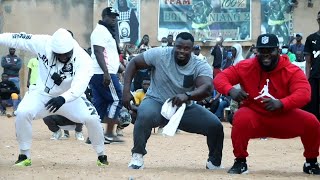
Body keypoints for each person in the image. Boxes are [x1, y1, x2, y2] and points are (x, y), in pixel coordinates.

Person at [213, 34, 320, 175]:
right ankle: (240, 161)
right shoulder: (246, 66)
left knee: (312, 122)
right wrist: (231, 90)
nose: (265, 55)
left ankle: (311, 162)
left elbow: (304, 93)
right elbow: (220, 78)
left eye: (270, 50)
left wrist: (282, 103)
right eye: (262, 51)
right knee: (240, 117)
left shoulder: (290, 70)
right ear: (256, 51)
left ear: (278, 50)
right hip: (255, 116)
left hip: (283, 116)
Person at [0, 28, 108, 166]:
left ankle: (101, 156)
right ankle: (24, 155)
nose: (62, 57)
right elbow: (18, 38)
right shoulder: (43, 43)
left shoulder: (84, 59)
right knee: (22, 112)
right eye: (59, 54)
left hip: (70, 98)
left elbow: (79, 86)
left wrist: (63, 98)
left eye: (66, 54)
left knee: (92, 118)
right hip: (42, 94)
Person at [123, 32, 224, 170]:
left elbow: (207, 87)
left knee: (215, 126)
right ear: (174, 45)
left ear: (192, 48)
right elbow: (134, 62)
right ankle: (137, 155)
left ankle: (214, 161)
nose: (182, 51)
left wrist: (187, 96)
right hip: (156, 102)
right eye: (179, 47)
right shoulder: (160, 54)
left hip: (183, 108)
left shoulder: (199, 64)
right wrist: (126, 90)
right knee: (144, 114)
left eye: (186, 48)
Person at [90, 7, 124, 143]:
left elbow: (109, 54)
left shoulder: (106, 32)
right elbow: (98, 52)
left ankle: (93, 136)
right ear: (104, 16)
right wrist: (106, 73)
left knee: (100, 104)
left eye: (115, 16)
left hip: (102, 72)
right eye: (111, 16)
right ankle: (109, 133)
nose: (114, 19)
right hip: (104, 72)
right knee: (117, 99)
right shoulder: (100, 31)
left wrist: (120, 67)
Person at [304, 11, 320, 121]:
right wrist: (307, 79)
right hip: (315, 77)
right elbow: (308, 62)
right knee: (314, 106)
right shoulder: (310, 38)